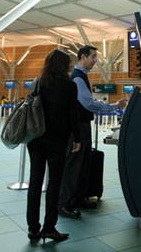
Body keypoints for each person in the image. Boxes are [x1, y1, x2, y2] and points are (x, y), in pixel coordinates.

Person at [58, 45, 127, 219]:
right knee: (74, 164)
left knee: (83, 162)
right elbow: (88, 103)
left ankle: (79, 197)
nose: (95, 61)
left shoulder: (82, 77)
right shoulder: (78, 78)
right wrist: (112, 106)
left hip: (82, 125)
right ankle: (65, 203)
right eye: (93, 57)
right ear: (83, 57)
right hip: (77, 127)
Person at [26, 49, 81, 243]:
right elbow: (72, 114)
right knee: (54, 183)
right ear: (64, 66)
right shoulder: (69, 85)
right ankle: (49, 227)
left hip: (35, 139)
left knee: (35, 182)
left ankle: (33, 229)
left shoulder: (38, 83)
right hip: (57, 141)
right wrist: (77, 138)